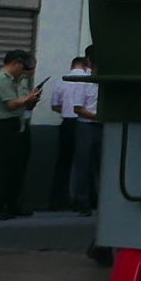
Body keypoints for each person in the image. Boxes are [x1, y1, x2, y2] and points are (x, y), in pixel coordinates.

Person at [0, 50, 43, 221]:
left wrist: (31, 101)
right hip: (4, 127)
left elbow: (23, 105)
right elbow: (10, 104)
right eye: (23, 69)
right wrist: (27, 98)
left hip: (20, 125)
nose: (24, 73)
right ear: (16, 63)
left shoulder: (20, 81)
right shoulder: (1, 79)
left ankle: (12, 204)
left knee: (17, 168)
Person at [47, 49, 101, 216]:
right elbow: (78, 108)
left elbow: (55, 105)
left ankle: (61, 201)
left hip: (73, 122)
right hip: (86, 123)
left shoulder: (63, 82)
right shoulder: (84, 82)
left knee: (70, 163)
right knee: (85, 164)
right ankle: (84, 201)